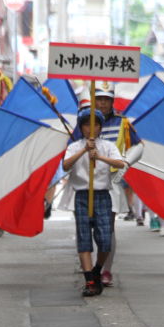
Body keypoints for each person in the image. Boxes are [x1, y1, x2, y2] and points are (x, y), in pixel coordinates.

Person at [63, 109, 125, 297]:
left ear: (100, 127)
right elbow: (65, 165)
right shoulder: (74, 146)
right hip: (82, 195)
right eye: (87, 124)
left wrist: (98, 156)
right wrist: (84, 150)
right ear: (81, 127)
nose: (91, 128)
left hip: (101, 195)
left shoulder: (107, 146)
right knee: (84, 238)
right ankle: (90, 280)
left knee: (105, 240)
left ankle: (97, 270)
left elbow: (120, 163)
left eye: (95, 124)